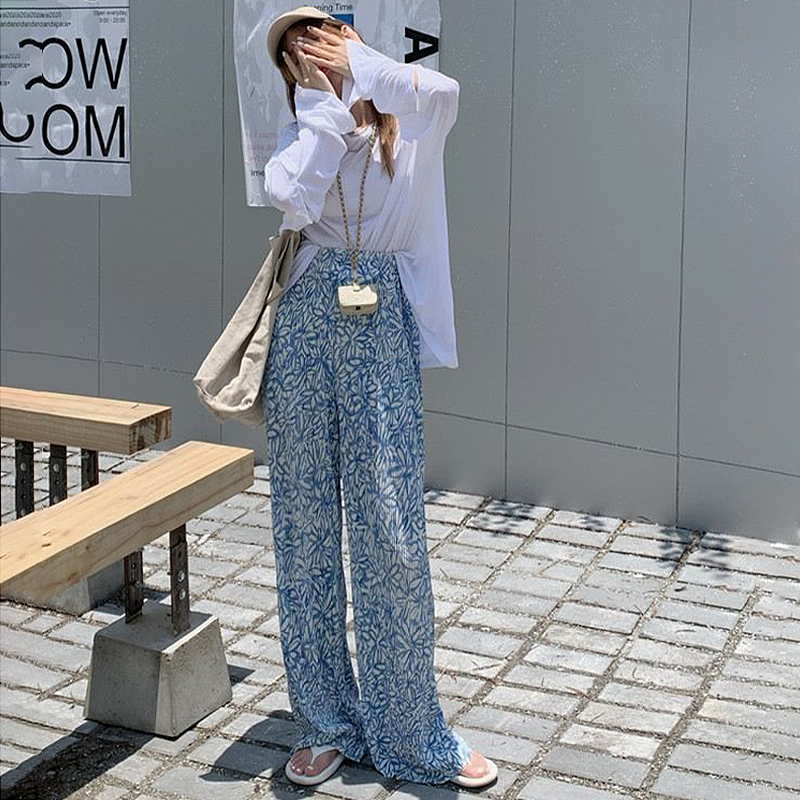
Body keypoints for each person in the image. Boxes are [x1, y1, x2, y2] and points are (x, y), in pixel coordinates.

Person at [260, 5, 497, 790]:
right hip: (304, 324)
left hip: (379, 317)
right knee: (302, 526)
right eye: (293, 51)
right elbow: (292, 200)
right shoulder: (306, 132)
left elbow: (447, 94)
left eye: (316, 38)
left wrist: (361, 66)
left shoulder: (413, 120)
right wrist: (324, 114)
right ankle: (327, 721)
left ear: (348, 41)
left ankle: (411, 729)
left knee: (391, 526)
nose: (308, 55)